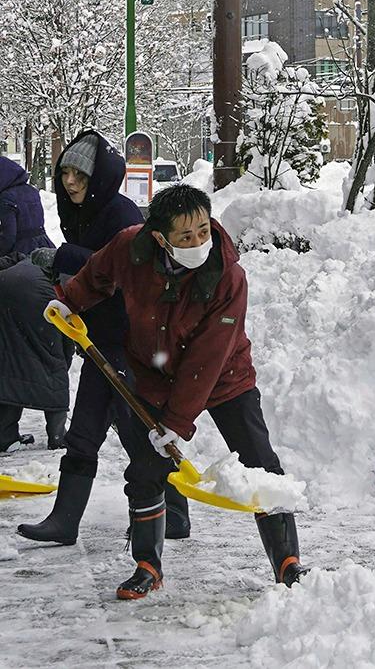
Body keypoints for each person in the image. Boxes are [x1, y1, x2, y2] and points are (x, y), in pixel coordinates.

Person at [46, 183, 308, 599]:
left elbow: (209, 355)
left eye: (203, 229)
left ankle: (288, 562)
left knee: (260, 463)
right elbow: (98, 273)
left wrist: (176, 422)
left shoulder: (227, 275)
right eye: (186, 236)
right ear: (159, 237)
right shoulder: (131, 248)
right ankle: (148, 564)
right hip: (154, 373)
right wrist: (70, 300)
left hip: (224, 377)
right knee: (146, 468)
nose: (199, 241)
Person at [17, 130, 191, 545]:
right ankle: (65, 521)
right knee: (85, 433)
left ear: (98, 177)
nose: (70, 182)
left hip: (131, 344)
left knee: (138, 433)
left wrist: (63, 258)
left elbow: (124, 271)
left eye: (79, 174)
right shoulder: (82, 212)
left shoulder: (122, 213)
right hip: (100, 340)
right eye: (65, 174)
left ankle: (175, 513)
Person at [0, 157, 68, 451]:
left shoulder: (5, 198)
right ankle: (56, 432)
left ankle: (6, 433)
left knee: (11, 353)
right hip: (42, 258)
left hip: (16, 268)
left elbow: (7, 237)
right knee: (52, 350)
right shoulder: (29, 190)